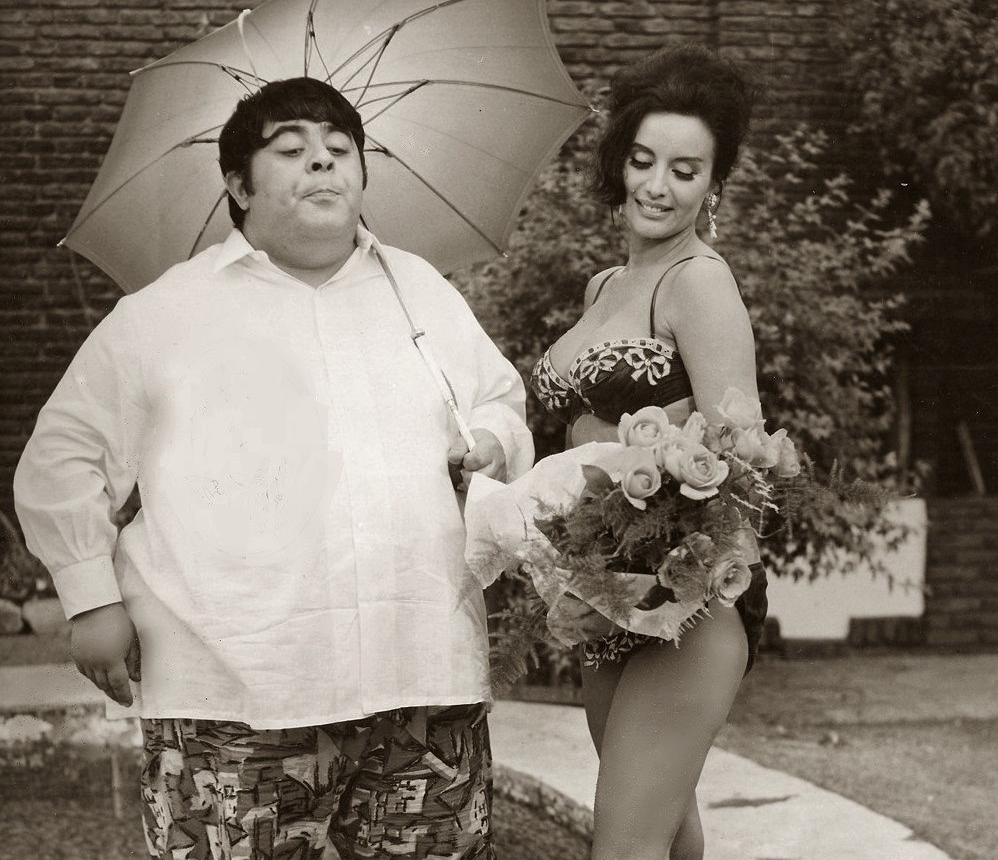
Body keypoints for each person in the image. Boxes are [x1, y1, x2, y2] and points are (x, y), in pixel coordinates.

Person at [14, 76, 533, 860]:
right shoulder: (167, 313)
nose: (322, 163)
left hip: (423, 678)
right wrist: (90, 599)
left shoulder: (419, 294)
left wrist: (490, 439)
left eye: (339, 149)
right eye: (290, 150)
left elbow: (500, 399)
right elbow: (64, 454)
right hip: (235, 690)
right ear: (238, 185)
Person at [529, 44, 768, 860]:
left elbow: (741, 458)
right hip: (605, 595)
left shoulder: (698, 282)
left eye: (684, 170)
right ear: (618, 161)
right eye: (642, 160)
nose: (657, 186)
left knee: (625, 844)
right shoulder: (604, 286)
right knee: (666, 838)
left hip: (684, 603)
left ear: (713, 185)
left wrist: (676, 566)